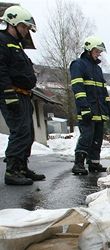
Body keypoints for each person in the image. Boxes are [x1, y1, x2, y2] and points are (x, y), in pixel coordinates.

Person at [0, 6, 45, 185]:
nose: (26, 31)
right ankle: (12, 171)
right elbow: (1, 70)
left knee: (28, 133)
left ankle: (22, 167)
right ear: (12, 23)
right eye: (24, 27)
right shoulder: (2, 41)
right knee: (19, 132)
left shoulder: (16, 44)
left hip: (24, 95)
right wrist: (8, 93)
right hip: (11, 94)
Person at [70, 36, 110, 175]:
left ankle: (94, 163)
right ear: (89, 50)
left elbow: (103, 92)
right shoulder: (78, 64)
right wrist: (84, 108)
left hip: (100, 111)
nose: (99, 53)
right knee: (87, 136)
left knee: (97, 138)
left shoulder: (97, 69)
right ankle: (78, 163)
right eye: (97, 50)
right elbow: (78, 88)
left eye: (100, 51)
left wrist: (109, 109)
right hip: (87, 109)